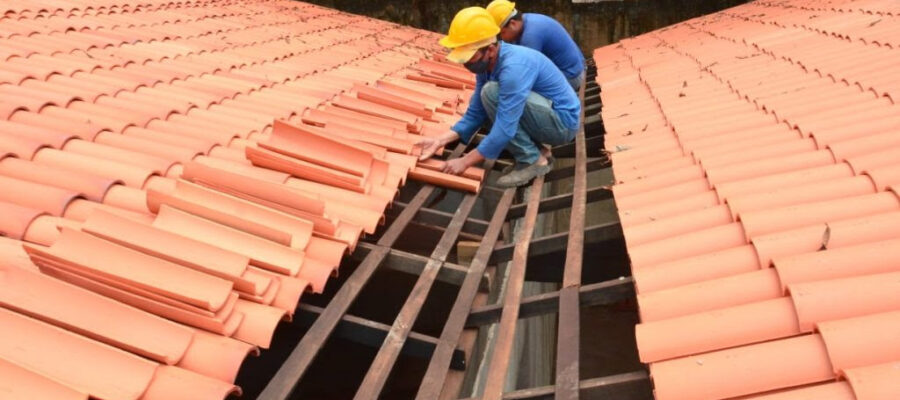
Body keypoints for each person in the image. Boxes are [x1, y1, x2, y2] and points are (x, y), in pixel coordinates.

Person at [416, 7, 580, 188]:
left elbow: (505, 127)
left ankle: (532, 160)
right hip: (545, 113)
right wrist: (440, 140)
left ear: (491, 50)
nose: (467, 64)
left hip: (563, 124)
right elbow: (475, 113)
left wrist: (465, 161)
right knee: (487, 102)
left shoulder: (513, 67)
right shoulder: (486, 66)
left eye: (470, 57)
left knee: (491, 94)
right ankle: (540, 153)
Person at [486, 0, 585, 90]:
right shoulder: (526, 20)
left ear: (513, 24)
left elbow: (523, 74)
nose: (502, 38)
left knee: (512, 87)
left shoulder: (530, 36)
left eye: (502, 33)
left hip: (571, 77)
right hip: (575, 68)